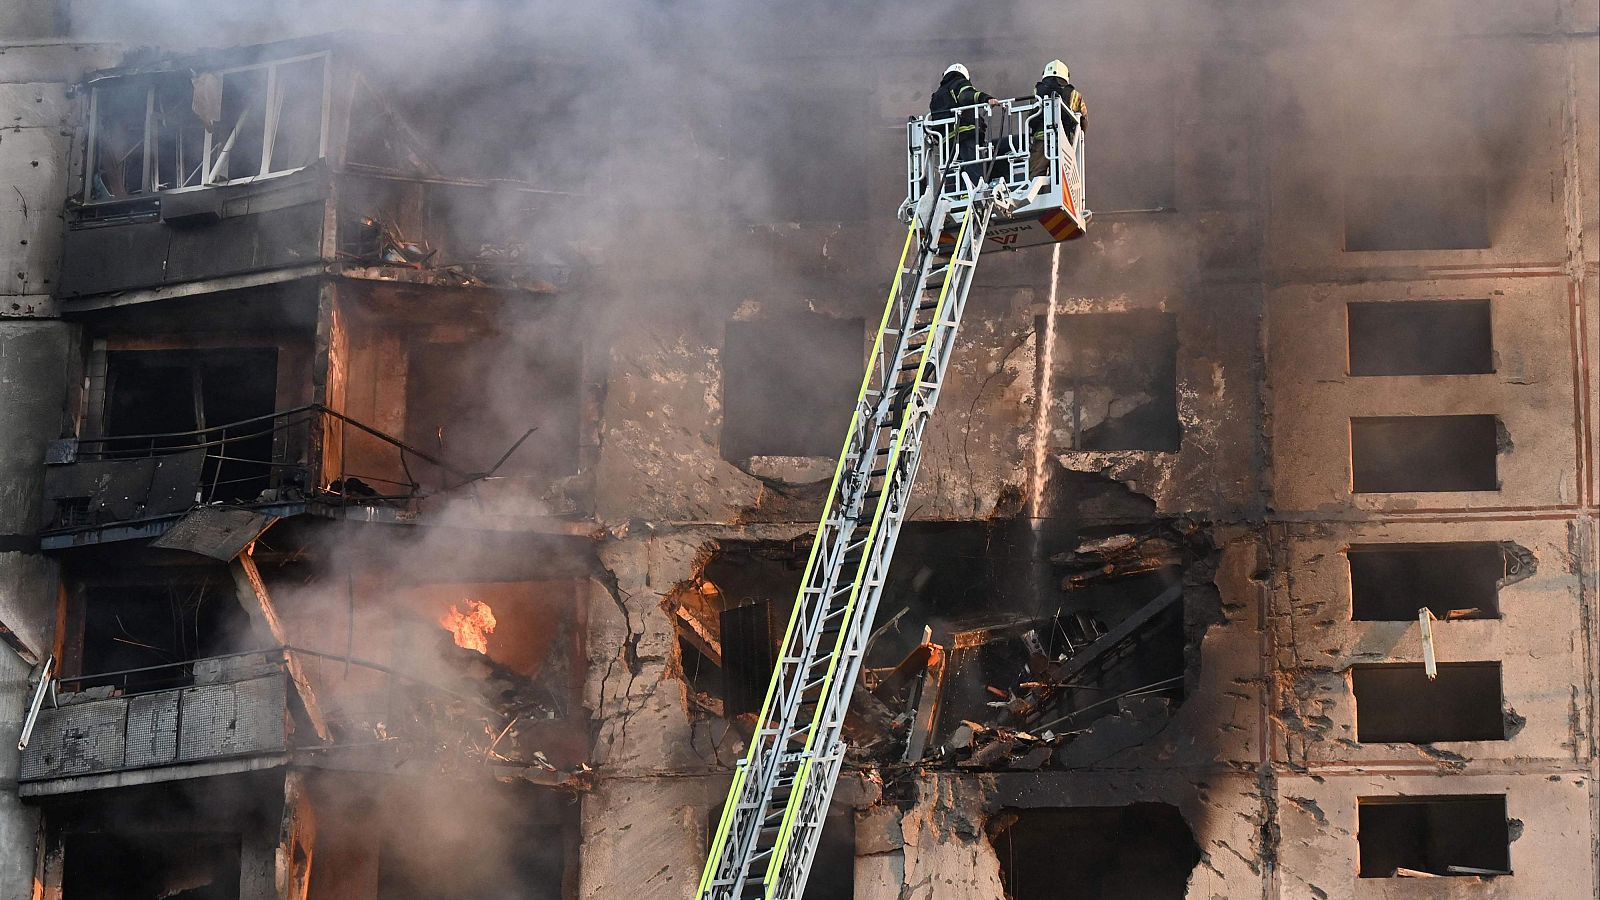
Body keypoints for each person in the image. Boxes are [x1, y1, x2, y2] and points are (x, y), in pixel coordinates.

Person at [929, 63, 1003, 189]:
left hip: (947, 141)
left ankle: (953, 195)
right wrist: (986, 99)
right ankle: (975, 191)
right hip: (965, 135)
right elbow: (966, 95)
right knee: (972, 166)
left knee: (953, 171)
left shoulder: (937, 95)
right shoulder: (958, 82)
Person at [1029, 59, 1088, 179]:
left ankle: (1039, 196)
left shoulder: (1037, 91)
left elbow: (1031, 115)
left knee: (1036, 176)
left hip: (1041, 139)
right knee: (1061, 178)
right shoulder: (1075, 95)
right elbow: (1084, 121)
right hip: (1064, 141)